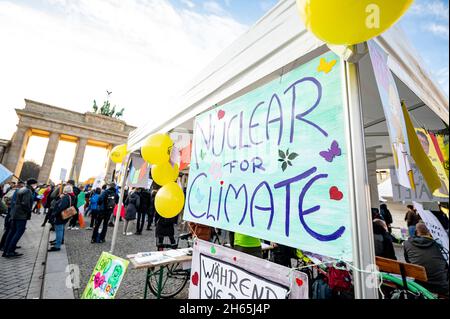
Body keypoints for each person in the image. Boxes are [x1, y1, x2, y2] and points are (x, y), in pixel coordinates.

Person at [404, 222, 449, 296]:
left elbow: (408, 261)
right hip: (441, 286)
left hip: (419, 284)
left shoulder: (407, 244)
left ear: (416, 231)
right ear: (430, 231)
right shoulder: (440, 245)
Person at [2, 179, 37, 258]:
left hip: (15, 214)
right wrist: (29, 211)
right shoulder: (28, 191)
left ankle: (6, 251)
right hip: (21, 215)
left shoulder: (21, 189)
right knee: (19, 232)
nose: (36, 186)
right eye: (35, 184)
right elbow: (25, 203)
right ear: (32, 184)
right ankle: (10, 251)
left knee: (12, 232)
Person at [48, 185, 76, 252]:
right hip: (66, 215)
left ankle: (57, 246)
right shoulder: (72, 196)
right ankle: (58, 242)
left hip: (61, 215)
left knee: (59, 230)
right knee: (61, 229)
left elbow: (61, 207)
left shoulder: (66, 197)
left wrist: (54, 214)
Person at [0, 181, 24, 251]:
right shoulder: (14, 191)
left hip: (13, 211)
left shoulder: (17, 191)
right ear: (19, 185)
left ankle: (10, 244)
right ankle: (3, 245)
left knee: (12, 230)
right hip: (11, 211)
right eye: (22, 186)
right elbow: (5, 198)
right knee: (8, 230)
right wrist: (11, 204)